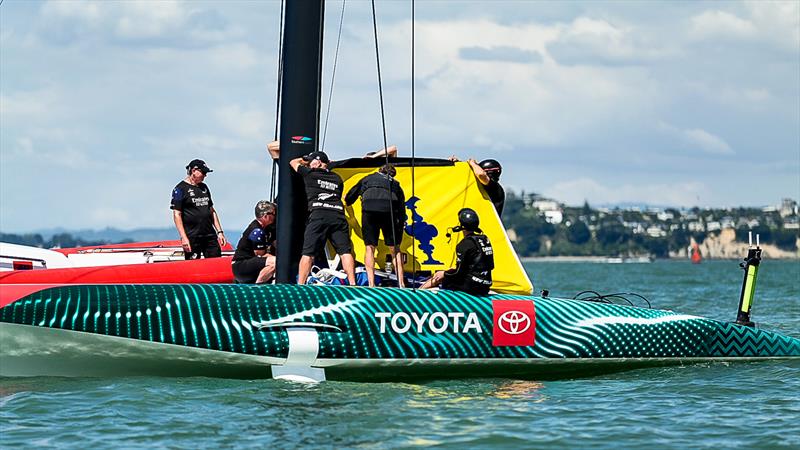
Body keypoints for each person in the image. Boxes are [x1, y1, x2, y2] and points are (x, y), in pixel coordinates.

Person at [290, 151, 357, 285]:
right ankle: (353, 284)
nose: (309, 164)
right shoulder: (337, 178)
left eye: (311, 161)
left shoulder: (310, 174)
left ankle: (301, 285)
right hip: (337, 215)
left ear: (319, 162)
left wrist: (304, 159)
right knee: (345, 251)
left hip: (319, 215)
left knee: (308, 252)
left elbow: (293, 162)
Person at [345, 163, 406, 287]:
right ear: (392, 175)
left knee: (370, 248)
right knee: (395, 249)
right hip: (389, 211)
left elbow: (349, 197)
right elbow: (401, 209)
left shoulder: (367, 178)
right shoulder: (395, 184)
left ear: (380, 170)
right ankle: (401, 284)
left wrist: (348, 201)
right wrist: (399, 228)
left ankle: (371, 284)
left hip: (369, 210)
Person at [420, 208, 494, 295]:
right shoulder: (485, 240)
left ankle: (417, 293)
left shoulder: (464, 244)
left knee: (439, 276)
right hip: (485, 286)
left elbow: (458, 273)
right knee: (449, 271)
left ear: (461, 226)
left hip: (470, 287)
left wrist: (444, 274)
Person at [171, 159, 226, 260]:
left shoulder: (204, 187)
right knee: (193, 267)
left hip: (209, 234)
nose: (205, 176)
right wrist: (183, 237)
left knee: (215, 262)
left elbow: (212, 211)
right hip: (192, 236)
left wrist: (220, 232)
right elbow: (177, 214)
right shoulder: (180, 189)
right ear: (194, 171)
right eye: (203, 172)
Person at [232, 201, 277, 284]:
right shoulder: (257, 230)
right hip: (241, 265)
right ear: (265, 216)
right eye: (273, 214)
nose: (275, 216)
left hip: (249, 263)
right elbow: (261, 254)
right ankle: (258, 287)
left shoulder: (266, 228)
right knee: (276, 262)